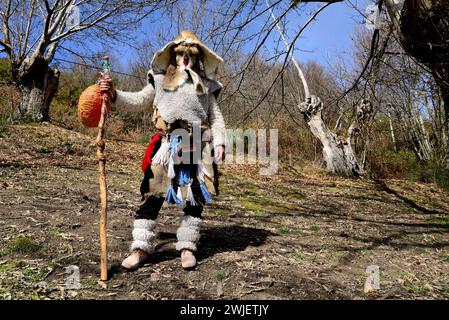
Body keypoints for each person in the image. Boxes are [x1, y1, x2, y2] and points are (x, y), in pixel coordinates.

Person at [100, 30, 226, 270]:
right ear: (173, 55)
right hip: (166, 145)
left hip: (196, 145)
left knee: (194, 197)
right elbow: (139, 100)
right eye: (180, 54)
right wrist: (114, 95)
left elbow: (216, 117)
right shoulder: (159, 80)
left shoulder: (207, 87)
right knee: (153, 192)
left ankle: (188, 246)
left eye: (191, 54)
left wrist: (219, 142)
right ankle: (140, 247)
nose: (185, 59)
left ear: (199, 57)